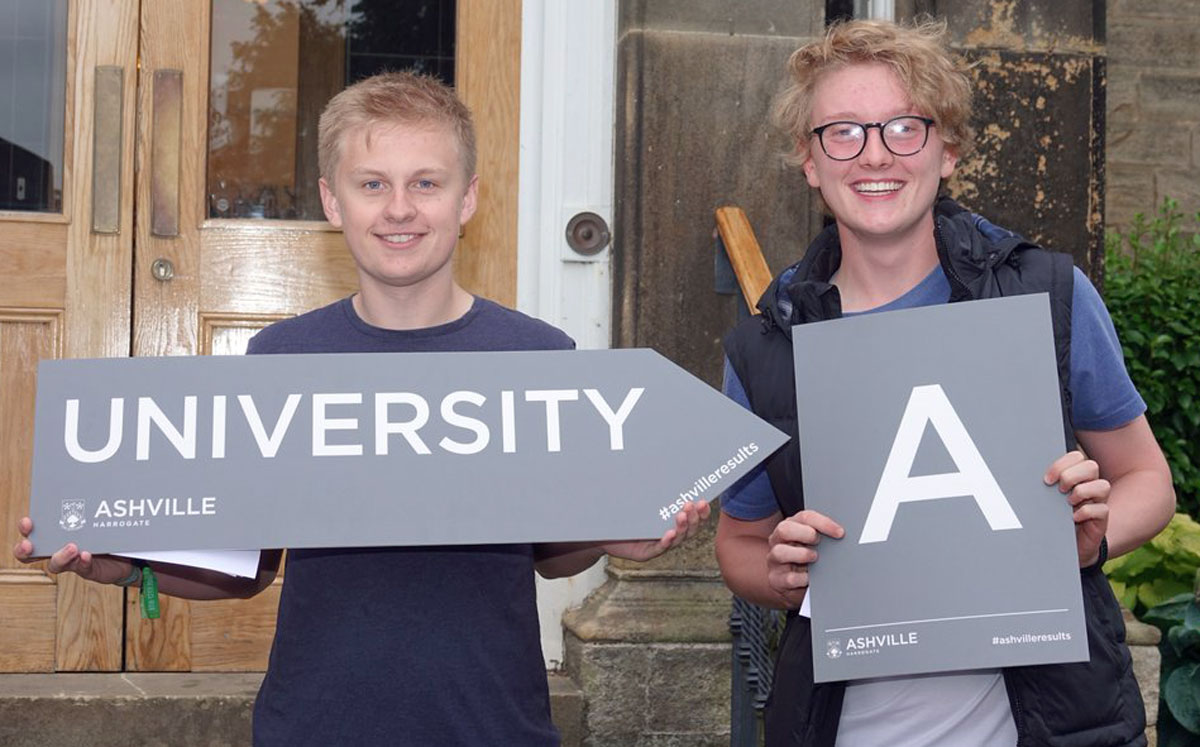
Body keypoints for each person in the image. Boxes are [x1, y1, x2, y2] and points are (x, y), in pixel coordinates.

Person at [14, 71, 708, 745]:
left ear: (467, 199)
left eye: (426, 184)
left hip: (492, 724)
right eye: (372, 184)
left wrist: (614, 537)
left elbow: (552, 553)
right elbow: (246, 566)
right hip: (316, 724)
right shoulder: (284, 358)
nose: (399, 208)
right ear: (332, 200)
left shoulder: (538, 355)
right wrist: (123, 566)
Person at [713, 19, 1175, 747]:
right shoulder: (767, 346)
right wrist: (782, 574)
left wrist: (1088, 539)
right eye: (843, 131)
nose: (875, 154)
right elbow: (739, 540)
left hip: (1046, 723)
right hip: (844, 725)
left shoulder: (1048, 295)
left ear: (947, 149)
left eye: (904, 127)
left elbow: (1148, 477)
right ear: (809, 159)